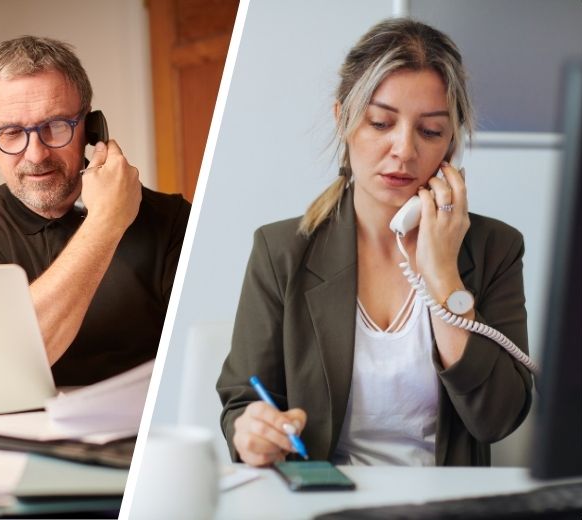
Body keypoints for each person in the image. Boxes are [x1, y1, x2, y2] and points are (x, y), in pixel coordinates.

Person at [217, 18, 533, 467]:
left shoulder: (495, 248)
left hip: (445, 506)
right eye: (381, 122)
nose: (403, 150)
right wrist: (251, 432)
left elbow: (497, 419)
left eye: (430, 131)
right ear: (342, 119)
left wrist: (443, 274)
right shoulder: (281, 249)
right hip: (323, 503)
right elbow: (242, 402)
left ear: (451, 145)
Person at [0, 36, 190, 386]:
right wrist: (105, 222)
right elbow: (11, 360)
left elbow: (201, 366)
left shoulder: (172, 220)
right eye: (10, 133)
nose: (36, 155)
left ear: (91, 127)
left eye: (55, 126)